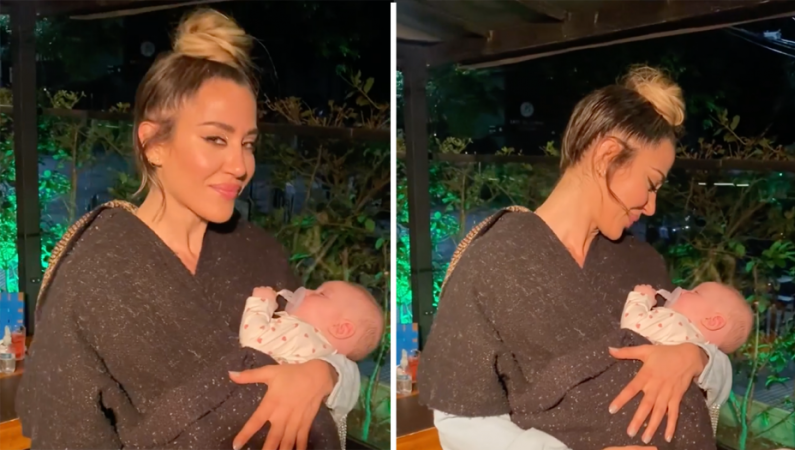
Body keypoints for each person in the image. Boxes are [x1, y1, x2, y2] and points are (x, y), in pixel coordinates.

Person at [17, 9, 359, 450]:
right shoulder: (94, 269)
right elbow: (62, 429)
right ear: (153, 144)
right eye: (216, 139)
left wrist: (325, 375)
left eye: (248, 143)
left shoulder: (260, 253)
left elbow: (327, 351)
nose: (240, 165)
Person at [417, 66, 732, 450]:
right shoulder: (494, 260)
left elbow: (702, 359)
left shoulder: (642, 261)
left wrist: (696, 358)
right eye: (651, 184)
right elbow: (460, 421)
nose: (651, 206)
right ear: (607, 155)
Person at [240, 283, 384, 365]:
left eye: (322, 294)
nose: (307, 291)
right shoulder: (321, 358)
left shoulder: (302, 334)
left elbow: (252, 341)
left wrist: (262, 302)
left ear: (341, 329)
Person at [623, 283, 753, 353]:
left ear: (712, 321)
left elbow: (631, 327)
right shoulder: (696, 353)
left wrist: (642, 296)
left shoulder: (675, 324)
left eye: (695, 292)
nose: (683, 290)